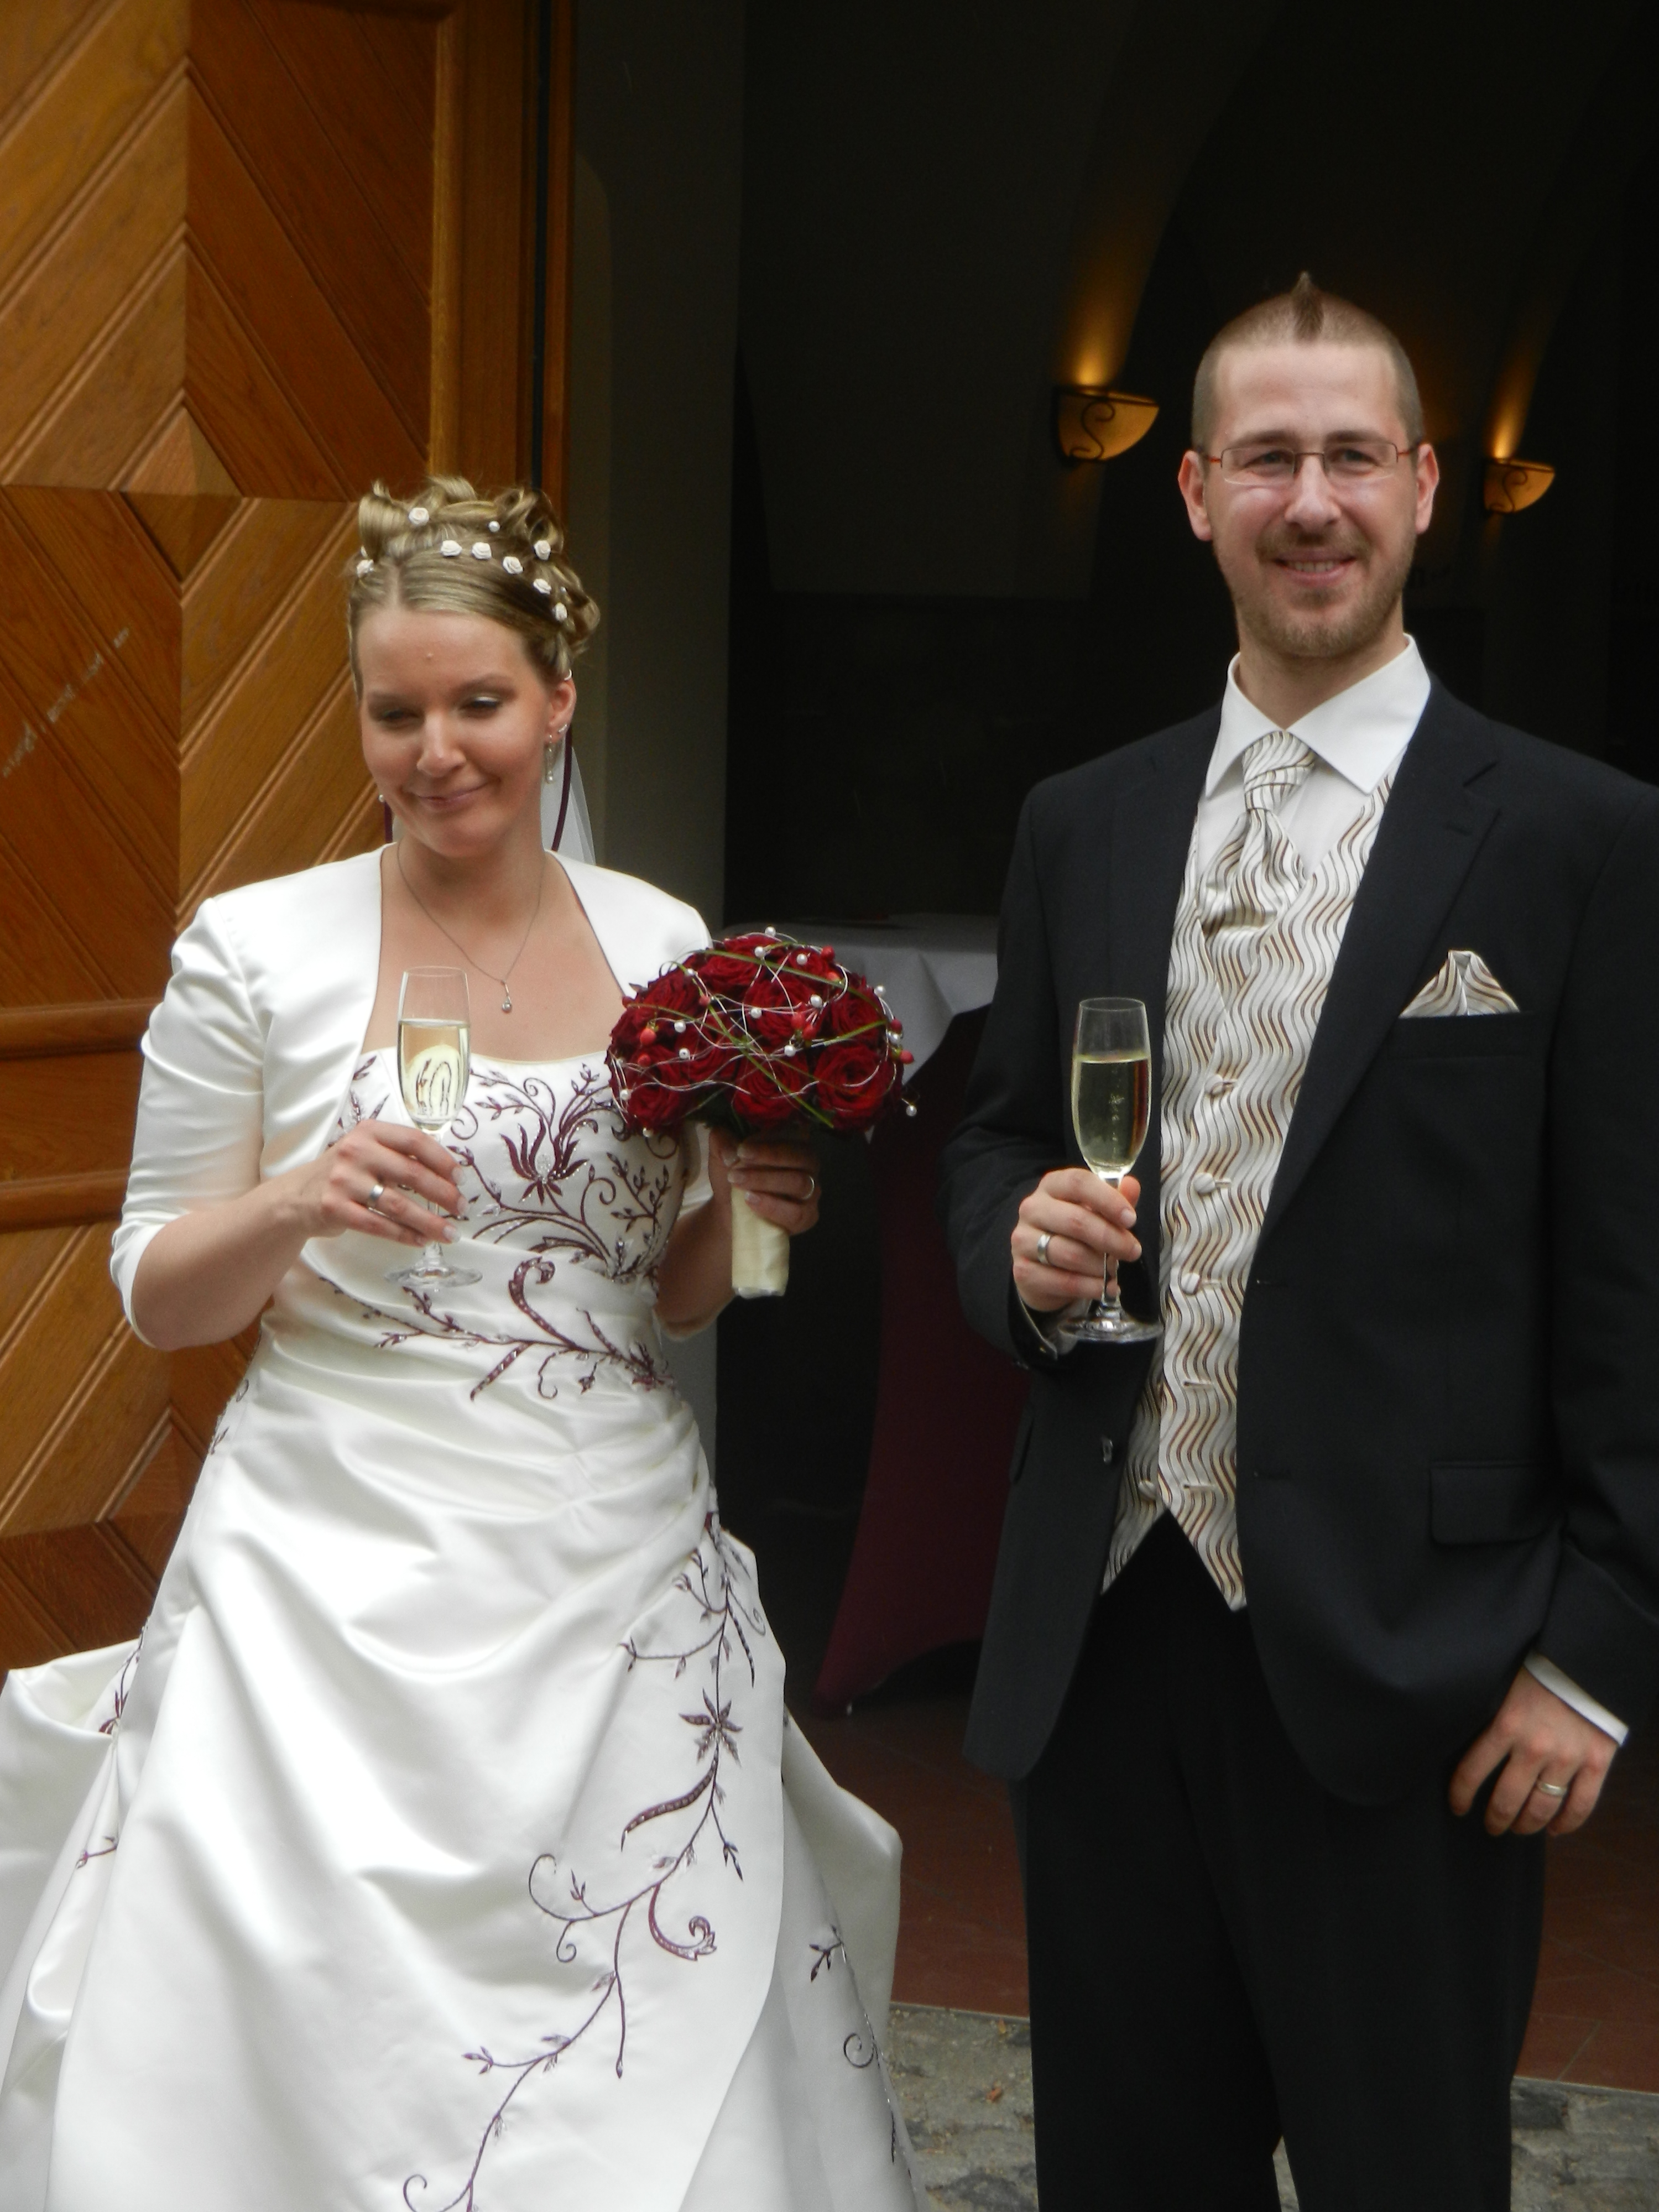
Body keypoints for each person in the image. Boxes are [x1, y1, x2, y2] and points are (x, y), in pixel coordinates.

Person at [0, 478, 924, 2212]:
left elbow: (674, 1293)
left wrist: (757, 1211)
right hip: (323, 1564)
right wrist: (299, 1199)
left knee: (637, 2003)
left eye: (478, 704)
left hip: (608, 1555)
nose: (436, 754)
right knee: (314, 2018)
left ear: (557, 698)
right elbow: (160, 1295)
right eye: (395, 712)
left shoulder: (661, 944)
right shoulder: (255, 950)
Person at [938, 276, 1659, 2210]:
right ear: (1194, 494)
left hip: (1419, 1661)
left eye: (1353, 457)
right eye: (1268, 459)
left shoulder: (1579, 840)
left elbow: (1637, 1269)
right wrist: (1013, 1244)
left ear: (1425, 488)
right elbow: (998, 1129)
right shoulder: (1082, 823)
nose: (1313, 501)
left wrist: (1598, 1652)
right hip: (1106, 1630)